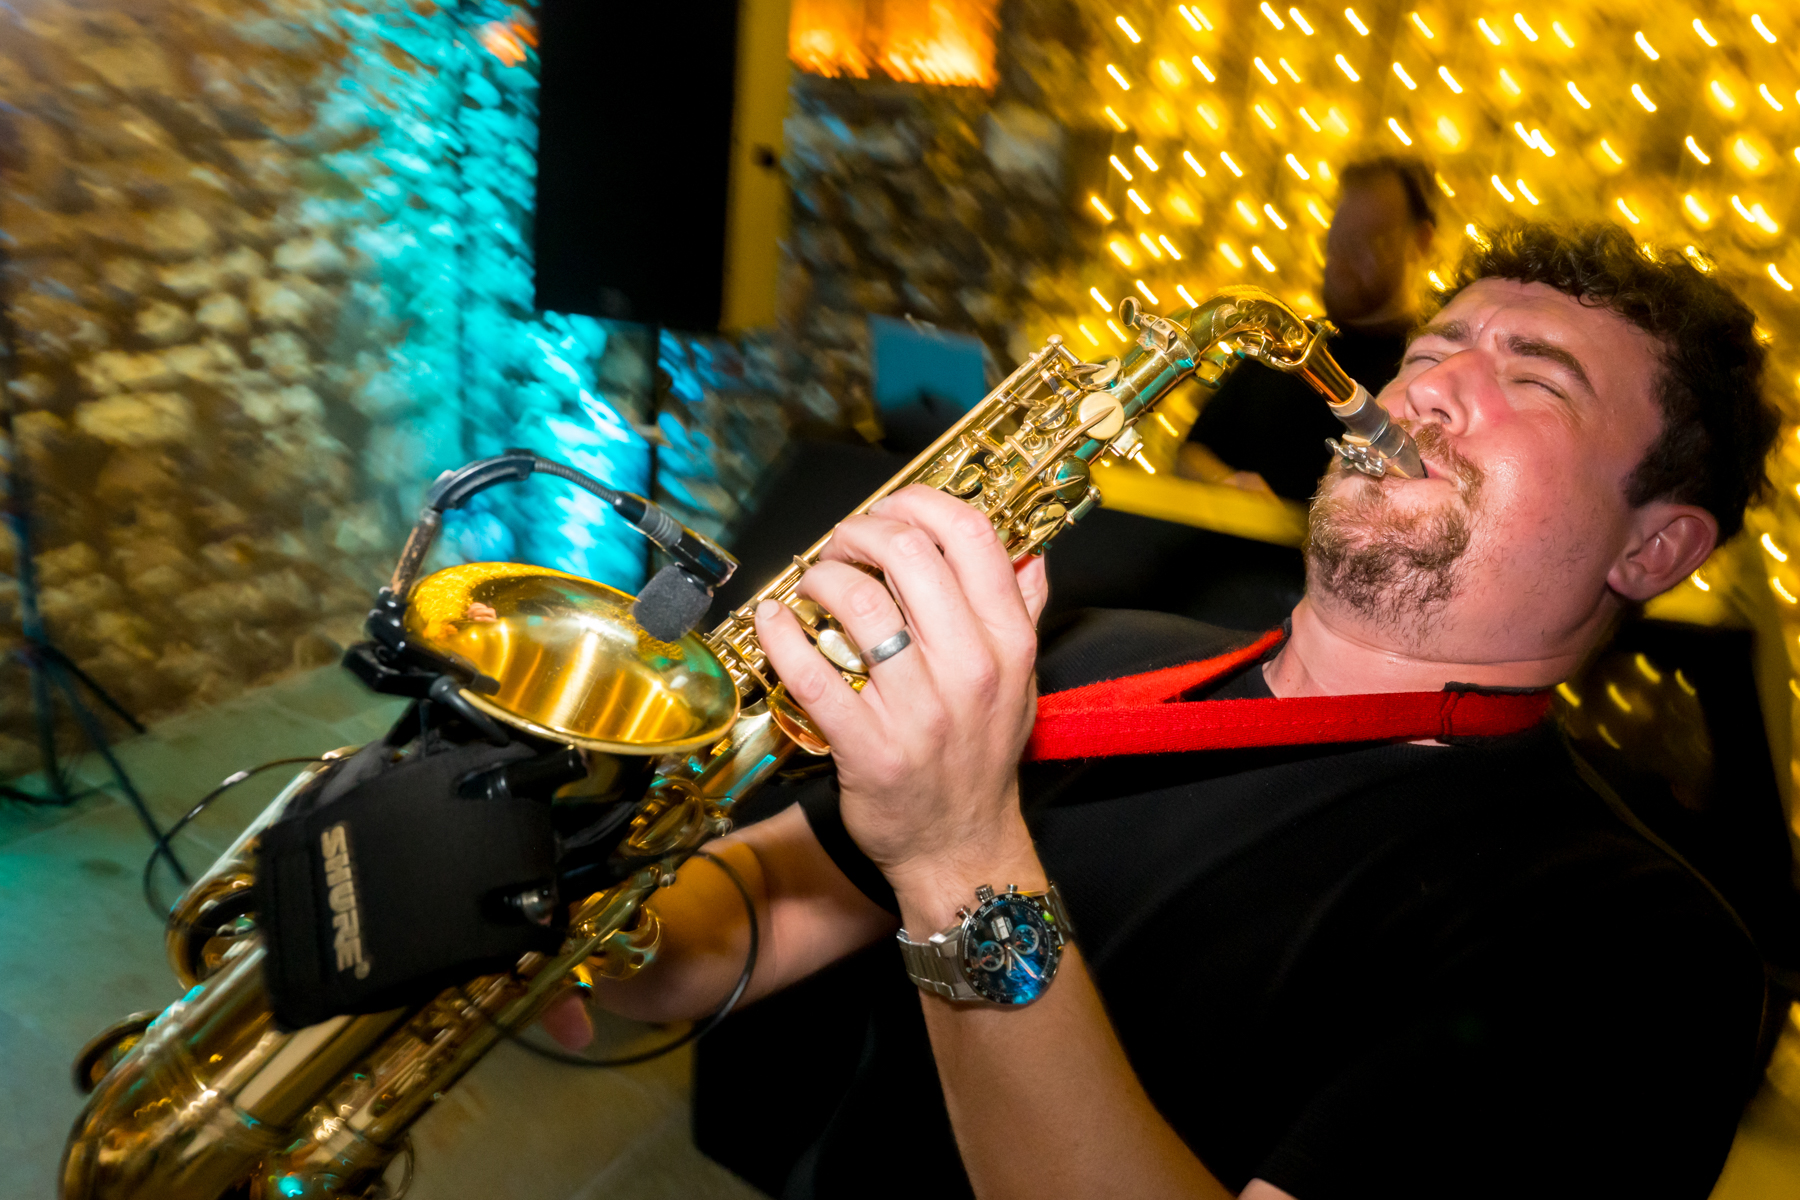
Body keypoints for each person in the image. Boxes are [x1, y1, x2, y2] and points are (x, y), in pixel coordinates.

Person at [548, 222, 1781, 1199]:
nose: (1426, 392)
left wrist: (959, 858)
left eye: (1535, 378)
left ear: (1656, 545)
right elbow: (755, 917)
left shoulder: (1640, 950)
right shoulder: (1085, 654)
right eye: (1429, 352)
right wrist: (577, 916)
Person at [1180, 155, 1439, 500]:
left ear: (1420, 242)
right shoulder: (1283, 343)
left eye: (1371, 240)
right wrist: (1230, 491)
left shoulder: (1424, 372)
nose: (1343, 259)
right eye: (1339, 238)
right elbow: (1192, 454)